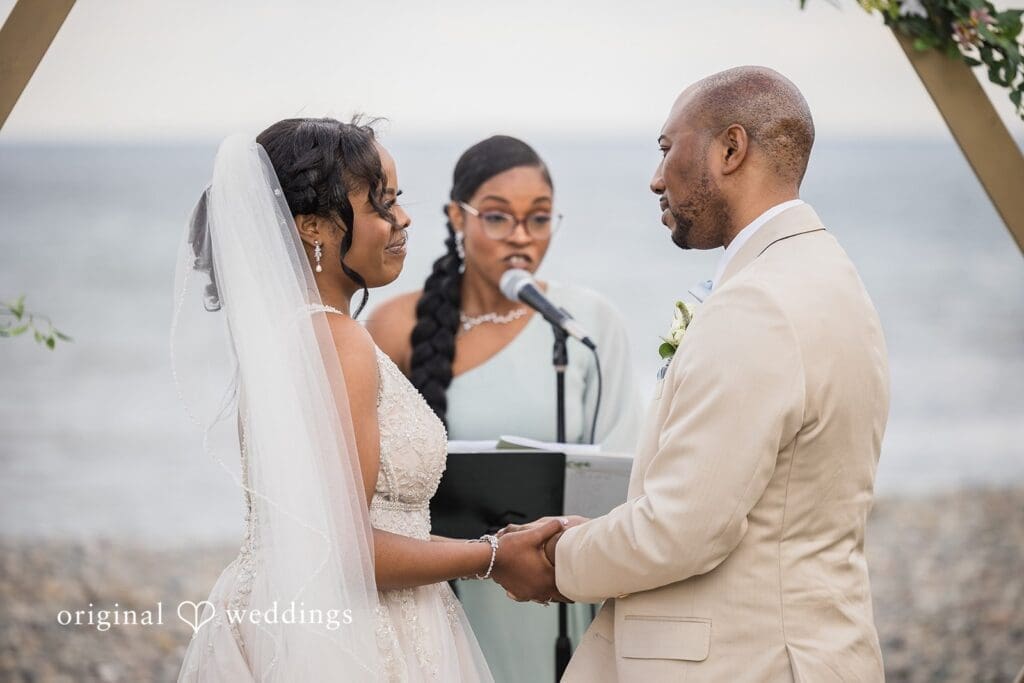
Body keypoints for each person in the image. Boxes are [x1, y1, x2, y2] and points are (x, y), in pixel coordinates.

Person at [496, 66, 891, 682]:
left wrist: (556, 560)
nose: (656, 178)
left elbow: (682, 530)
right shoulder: (829, 274)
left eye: (666, 149)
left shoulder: (758, 303)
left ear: (730, 149)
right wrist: (603, 530)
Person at [173, 118, 564, 682]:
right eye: (381, 205)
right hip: (354, 633)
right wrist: (493, 555)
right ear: (313, 228)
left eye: (396, 200)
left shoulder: (296, 337)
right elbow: (345, 549)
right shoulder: (337, 340)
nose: (402, 218)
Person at [368, 135, 642, 682]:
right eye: (498, 218)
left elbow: (624, 461)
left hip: (564, 587)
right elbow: (375, 481)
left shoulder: (585, 323)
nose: (521, 237)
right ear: (456, 217)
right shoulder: (394, 325)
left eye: (538, 220)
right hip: (447, 588)